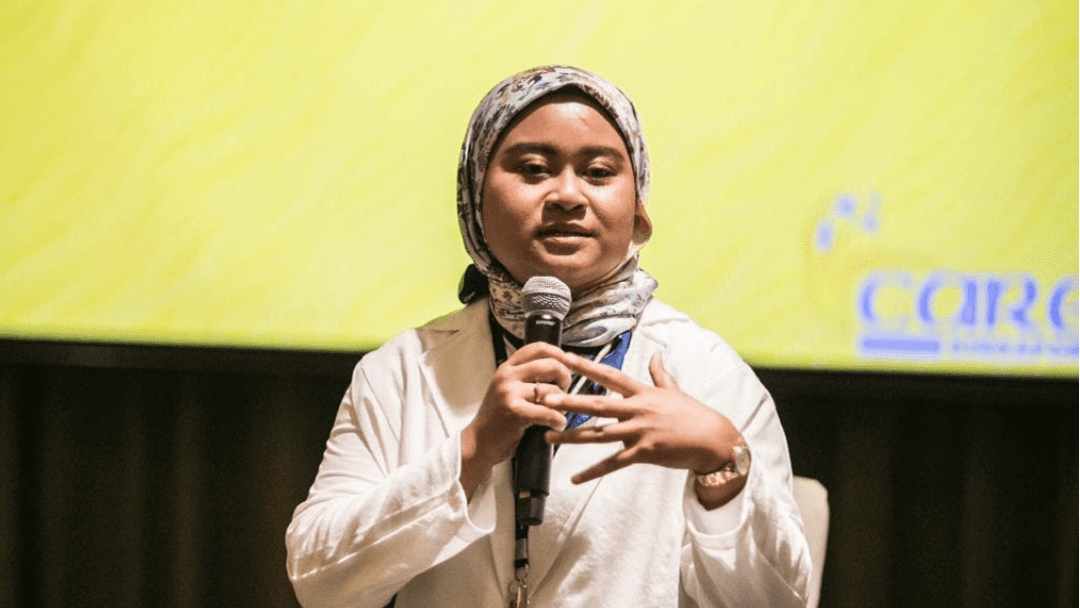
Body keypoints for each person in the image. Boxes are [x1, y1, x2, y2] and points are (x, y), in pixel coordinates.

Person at [286, 65, 811, 608]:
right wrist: (471, 452)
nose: (566, 194)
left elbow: (777, 602)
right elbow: (319, 583)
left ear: (638, 212)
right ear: (474, 202)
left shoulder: (705, 371)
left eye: (599, 172)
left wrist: (719, 462)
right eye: (534, 169)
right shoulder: (402, 371)